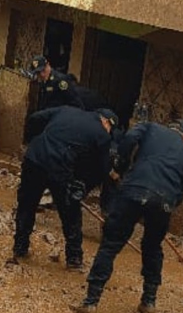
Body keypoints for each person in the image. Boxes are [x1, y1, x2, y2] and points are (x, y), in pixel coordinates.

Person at [75, 118, 183, 313]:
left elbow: (130, 137)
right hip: (164, 200)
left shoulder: (150, 127)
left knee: (110, 245)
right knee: (152, 247)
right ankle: (149, 303)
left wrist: (120, 166)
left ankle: (90, 302)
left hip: (133, 189)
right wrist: (166, 205)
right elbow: (182, 192)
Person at [11, 106, 117, 267]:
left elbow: (35, 117)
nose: (109, 133)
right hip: (60, 168)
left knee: (26, 205)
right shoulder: (102, 135)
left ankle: (20, 247)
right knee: (70, 212)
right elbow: (101, 170)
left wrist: (37, 139)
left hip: (34, 158)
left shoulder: (66, 110)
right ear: (107, 122)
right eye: (111, 129)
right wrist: (83, 188)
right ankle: (74, 258)